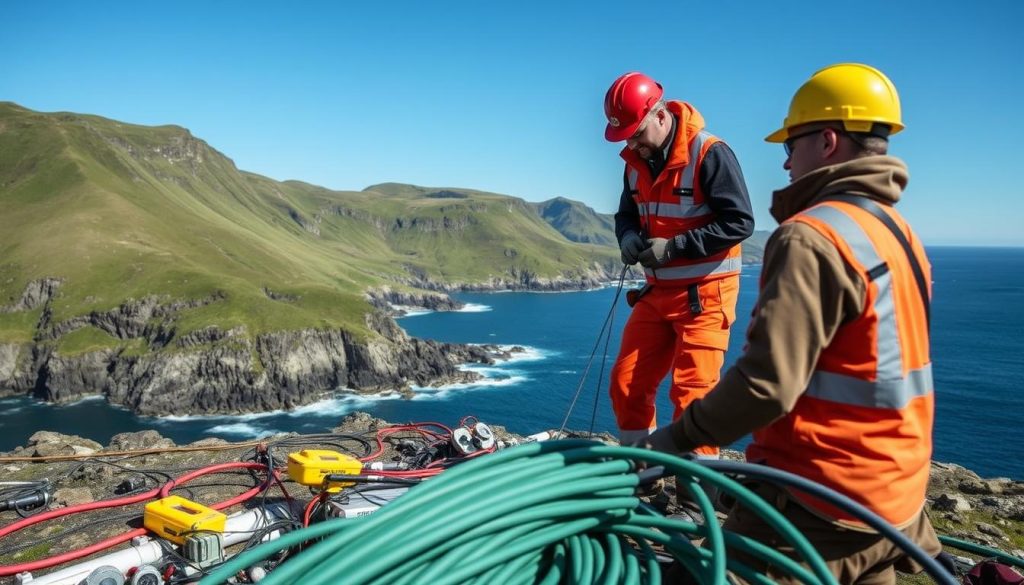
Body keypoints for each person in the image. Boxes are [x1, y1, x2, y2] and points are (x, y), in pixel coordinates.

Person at [642, 63, 941, 583]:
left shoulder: (811, 236)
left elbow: (766, 385)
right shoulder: (899, 234)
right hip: (893, 502)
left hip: (816, 503)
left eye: (790, 145)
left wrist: (674, 440)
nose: (783, 163)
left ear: (827, 142)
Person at [603, 72, 754, 457]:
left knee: (692, 396)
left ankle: (693, 493)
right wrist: (627, 237)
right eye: (626, 137)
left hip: (705, 296)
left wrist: (674, 248)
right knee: (626, 383)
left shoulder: (710, 152)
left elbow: (740, 222)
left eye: (636, 133)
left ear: (659, 114)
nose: (631, 144)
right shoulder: (635, 160)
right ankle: (641, 473)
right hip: (658, 293)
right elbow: (626, 214)